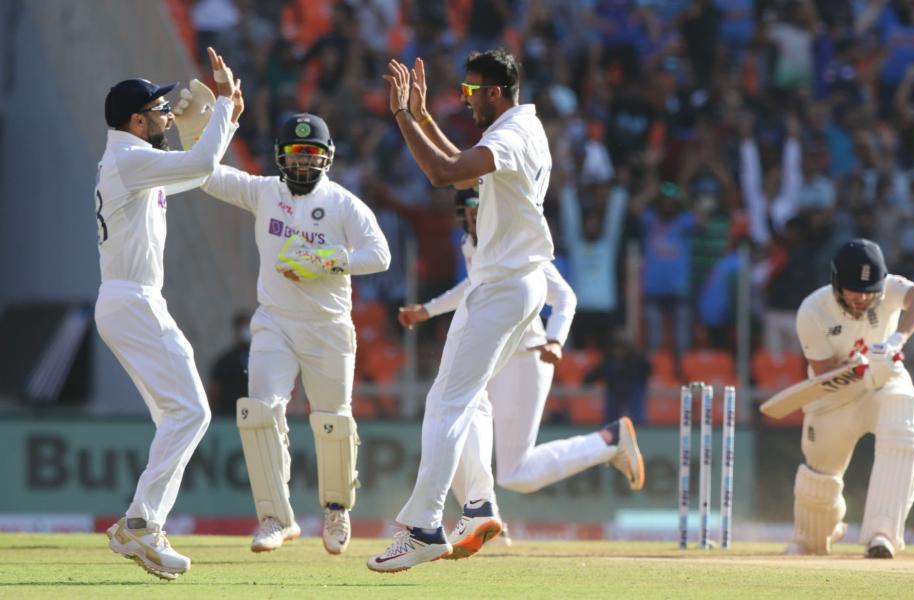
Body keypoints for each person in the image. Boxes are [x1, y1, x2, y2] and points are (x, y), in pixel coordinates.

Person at [371, 49, 554, 572]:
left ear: (495, 92)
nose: (466, 98)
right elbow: (465, 169)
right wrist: (425, 116)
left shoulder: (512, 136)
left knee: (447, 403)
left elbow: (444, 173)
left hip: (502, 288)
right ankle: (477, 507)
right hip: (512, 284)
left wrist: (403, 116)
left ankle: (425, 525)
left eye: (472, 91)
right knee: (468, 401)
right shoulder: (526, 127)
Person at [397, 189, 645, 558]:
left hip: (526, 357)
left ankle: (609, 441)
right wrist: (429, 311)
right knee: (458, 426)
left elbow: (565, 297)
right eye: (468, 211)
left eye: (480, 210)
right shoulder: (472, 243)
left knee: (516, 472)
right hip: (492, 353)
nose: (474, 218)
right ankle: (482, 518)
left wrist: (556, 339)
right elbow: (473, 287)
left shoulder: (517, 245)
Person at [198, 112, 390, 555]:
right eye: (295, 155)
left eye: (312, 155)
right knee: (259, 412)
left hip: (328, 327)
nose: (303, 164)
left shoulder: (343, 204)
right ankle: (274, 517)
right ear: (280, 157)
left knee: (332, 420)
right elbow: (210, 176)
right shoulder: (264, 192)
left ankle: (337, 507)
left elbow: (379, 254)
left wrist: (327, 260)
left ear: (327, 158)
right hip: (275, 322)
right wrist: (202, 132)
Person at [97, 47, 243, 580]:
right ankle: (141, 523)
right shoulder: (130, 160)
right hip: (132, 299)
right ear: (136, 121)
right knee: (193, 413)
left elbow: (199, 173)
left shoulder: (132, 160)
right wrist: (224, 104)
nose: (166, 113)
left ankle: (143, 524)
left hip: (130, 300)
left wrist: (214, 123)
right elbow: (202, 164)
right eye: (158, 110)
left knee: (175, 417)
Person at [788, 238, 914, 558]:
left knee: (905, 418)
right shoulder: (812, 311)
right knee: (818, 492)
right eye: (854, 290)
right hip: (833, 396)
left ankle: (881, 534)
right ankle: (815, 534)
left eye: (869, 290)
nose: (862, 298)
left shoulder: (888, 289)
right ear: (837, 284)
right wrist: (864, 366)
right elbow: (827, 373)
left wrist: (897, 340)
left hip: (884, 384)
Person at [209, 311, 251, 416]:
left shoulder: (259, 359)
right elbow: (215, 390)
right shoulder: (226, 360)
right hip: (229, 416)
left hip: (252, 414)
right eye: (243, 327)